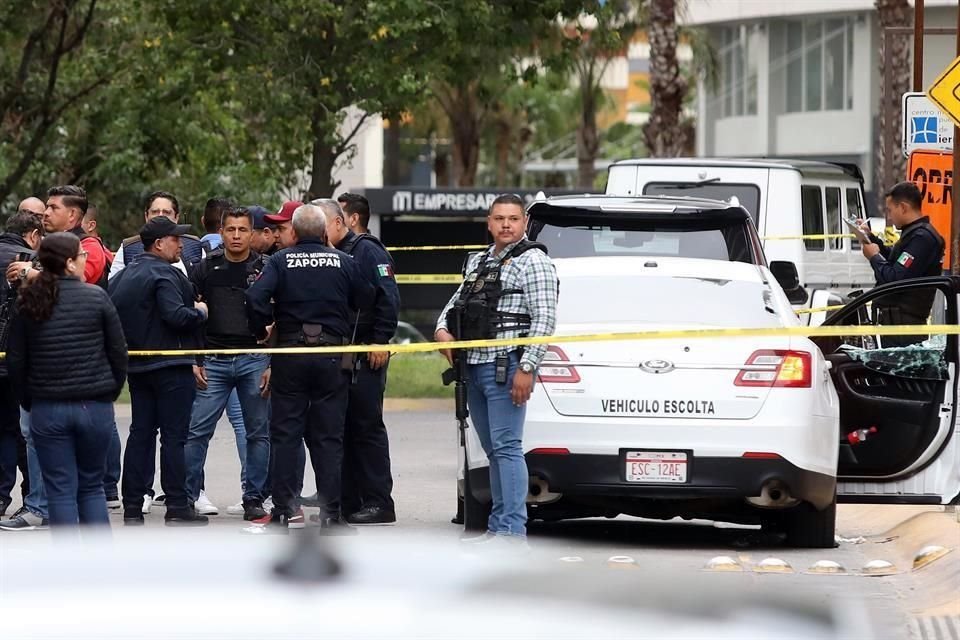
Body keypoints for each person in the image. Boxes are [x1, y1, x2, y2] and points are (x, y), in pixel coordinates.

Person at [435, 194, 558, 546]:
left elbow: (545, 318)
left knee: (507, 447)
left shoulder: (533, 261)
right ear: (489, 223)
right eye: (499, 218)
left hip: (507, 366)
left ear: (524, 224)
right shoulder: (479, 261)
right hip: (472, 367)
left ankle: (512, 530)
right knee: (493, 451)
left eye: (513, 219)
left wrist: (528, 367)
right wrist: (442, 331)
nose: (506, 225)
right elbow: (453, 306)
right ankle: (498, 526)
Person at [246, 201, 374, 531]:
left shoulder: (279, 260)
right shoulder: (344, 261)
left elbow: (254, 298)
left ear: (294, 232)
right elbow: (367, 296)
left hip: (290, 355)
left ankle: (283, 512)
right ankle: (331, 514)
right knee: (329, 437)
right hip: (332, 356)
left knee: (285, 435)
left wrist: (262, 328)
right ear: (322, 231)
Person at [6, 233, 127, 537]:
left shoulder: (28, 302)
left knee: (59, 489)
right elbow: (118, 354)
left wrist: (29, 401)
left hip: (48, 408)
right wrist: (108, 392)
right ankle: (99, 565)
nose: (86, 259)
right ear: (70, 262)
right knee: (92, 487)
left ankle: (67, 570)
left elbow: (17, 361)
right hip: (94, 406)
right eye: (82, 255)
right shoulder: (97, 298)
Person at [109, 216, 209, 526]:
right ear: (158, 243)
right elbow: (176, 316)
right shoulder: (166, 275)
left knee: (140, 435)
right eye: (175, 239)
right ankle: (178, 505)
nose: (181, 244)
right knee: (174, 438)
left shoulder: (121, 278)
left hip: (137, 368)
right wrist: (200, 312)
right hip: (171, 367)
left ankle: (132, 507)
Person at [316, 198, 400, 525]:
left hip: (366, 350)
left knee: (366, 427)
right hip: (342, 352)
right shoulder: (328, 254)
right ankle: (348, 502)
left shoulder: (367, 250)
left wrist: (381, 339)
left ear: (342, 223)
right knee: (343, 429)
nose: (319, 234)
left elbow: (388, 297)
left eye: (324, 226)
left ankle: (379, 502)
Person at [185, 207, 271, 521]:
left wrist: (272, 362)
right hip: (213, 363)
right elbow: (191, 319)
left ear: (253, 233)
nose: (236, 236)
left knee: (257, 433)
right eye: (230, 229)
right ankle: (187, 498)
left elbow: (283, 316)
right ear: (221, 233)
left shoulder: (266, 268)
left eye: (242, 230)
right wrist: (195, 360)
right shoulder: (204, 269)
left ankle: (254, 499)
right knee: (196, 432)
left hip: (253, 361)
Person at [859, 181, 945, 346]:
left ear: (904, 207)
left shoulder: (922, 238)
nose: (889, 217)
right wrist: (870, 238)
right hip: (895, 324)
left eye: (890, 210)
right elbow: (896, 261)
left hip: (903, 328)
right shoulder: (914, 234)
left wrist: (874, 257)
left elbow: (895, 279)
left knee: (896, 371)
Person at [0, 212, 42, 520]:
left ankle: (1, 495)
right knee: (25, 432)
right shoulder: (33, 261)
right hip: (19, 358)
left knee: (4, 431)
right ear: (33, 234)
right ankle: (32, 497)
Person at [108, 191, 204, 280]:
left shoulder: (195, 246)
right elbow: (113, 287)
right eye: (155, 212)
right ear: (146, 216)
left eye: (166, 212)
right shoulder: (128, 247)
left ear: (176, 218)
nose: (160, 216)